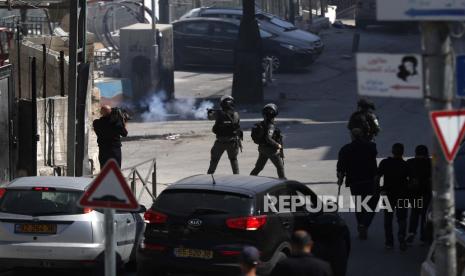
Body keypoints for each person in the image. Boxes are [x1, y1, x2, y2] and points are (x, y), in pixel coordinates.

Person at [337, 129, 378, 240]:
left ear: (352, 136)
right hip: (368, 180)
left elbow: (341, 167)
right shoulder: (371, 147)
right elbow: (374, 163)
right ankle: (364, 224)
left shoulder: (345, 149)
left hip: (354, 182)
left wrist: (340, 179)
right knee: (371, 204)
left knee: (359, 204)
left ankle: (361, 224)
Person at [376, 143, 409, 251]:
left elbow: (377, 177)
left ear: (392, 151)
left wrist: (380, 189)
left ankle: (389, 242)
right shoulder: (406, 165)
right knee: (402, 218)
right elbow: (412, 181)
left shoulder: (385, 163)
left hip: (388, 194)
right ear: (402, 152)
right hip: (402, 195)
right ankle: (401, 236)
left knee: (388, 218)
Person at [207, 95, 242, 175]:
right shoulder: (236, 114)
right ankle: (237, 177)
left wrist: (209, 112)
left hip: (220, 142)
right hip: (232, 142)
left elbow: (210, 118)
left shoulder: (218, 113)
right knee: (233, 160)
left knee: (214, 161)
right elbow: (237, 125)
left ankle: (209, 176)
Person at [250, 103, 285, 179]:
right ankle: (284, 183)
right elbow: (268, 138)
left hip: (262, 149)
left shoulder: (263, 123)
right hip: (270, 150)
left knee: (259, 167)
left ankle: (250, 179)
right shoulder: (271, 126)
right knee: (280, 167)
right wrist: (277, 145)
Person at [406, 145, 432, 244]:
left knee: (415, 212)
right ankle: (423, 236)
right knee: (424, 214)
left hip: (414, 192)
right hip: (426, 191)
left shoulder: (410, 162)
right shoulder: (431, 162)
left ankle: (412, 232)